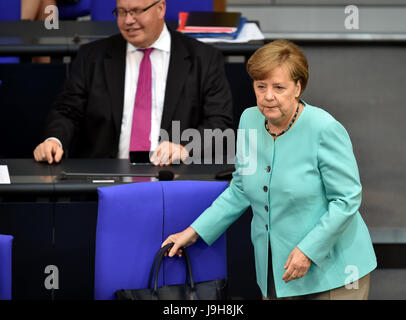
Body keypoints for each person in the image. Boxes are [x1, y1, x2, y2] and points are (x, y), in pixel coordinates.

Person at [162, 39, 377, 300]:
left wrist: (308, 250)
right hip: (277, 268)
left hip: (334, 271)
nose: (268, 96)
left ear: (298, 87)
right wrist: (193, 232)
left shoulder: (324, 128)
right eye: (260, 86)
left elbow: (346, 199)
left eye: (279, 87)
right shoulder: (249, 120)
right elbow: (240, 189)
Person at [33, 0, 233, 166]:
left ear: (160, 8)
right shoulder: (92, 57)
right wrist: (54, 141)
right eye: (121, 12)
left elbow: (220, 124)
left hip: (173, 178)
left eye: (137, 11)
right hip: (104, 179)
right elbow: (67, 111)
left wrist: (185, 148)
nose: (128, 21)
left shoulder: (204, 59)